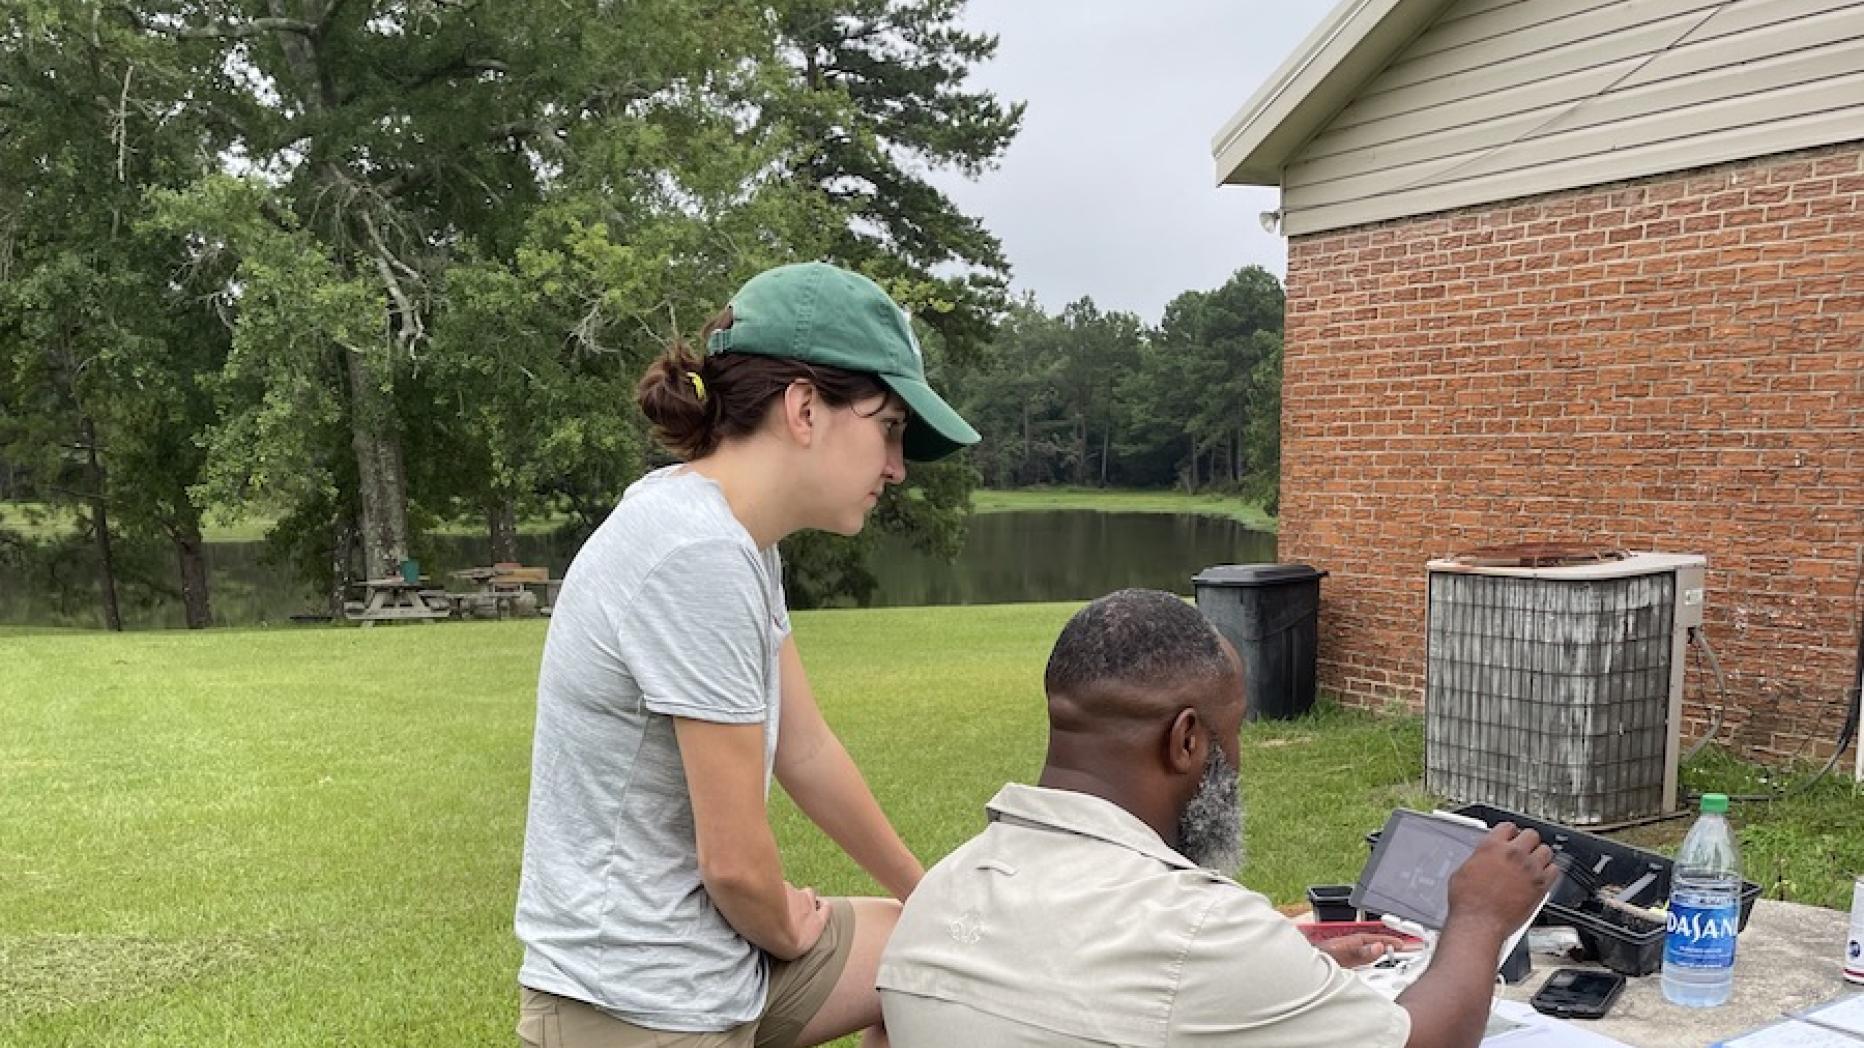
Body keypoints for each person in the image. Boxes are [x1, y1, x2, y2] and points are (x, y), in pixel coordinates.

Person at [515, 261, 979, 1048]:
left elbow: (805, 748)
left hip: (714, 966)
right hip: (637, 1006)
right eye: (889, 428)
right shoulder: (695, 553)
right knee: (925, 959)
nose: (897, 467)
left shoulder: (737, 541)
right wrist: (787, 928)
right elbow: (734, 867)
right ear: (804, 408)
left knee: (934, 952)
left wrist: (930, 894)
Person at [877, 588, 1558, 1048]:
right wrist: (1480, 916)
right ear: (1186, 741)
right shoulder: (1195, 928)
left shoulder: (944, 887)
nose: (1238, 762)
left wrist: (1284, 974)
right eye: (1233, 739)